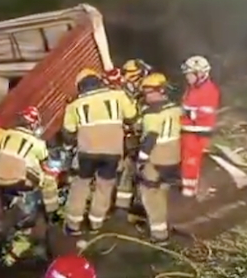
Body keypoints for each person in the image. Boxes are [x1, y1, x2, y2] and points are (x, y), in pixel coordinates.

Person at [60, 69, 138, 236]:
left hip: (86, 153)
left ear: (80, 86)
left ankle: (73, 225)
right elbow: (132, 117)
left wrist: (79, 138)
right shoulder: (118, 96)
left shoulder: (74, 105)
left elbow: (68, 134)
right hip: (113, 152)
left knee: (80, 186)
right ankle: (96, 224)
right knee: (104, 186)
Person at [0, 106, 61, 264]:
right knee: (48, 182)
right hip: (20, 183)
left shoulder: (4, 135)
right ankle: (52, 212)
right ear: (33, 125)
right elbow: (45, 164)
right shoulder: (38, 144)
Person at [135, 73, 182, 242]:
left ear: (158, 91)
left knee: (149, 194)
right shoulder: (176, 108)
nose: (145, 96)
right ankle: (165, 225)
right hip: (174, 158)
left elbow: (151, 137)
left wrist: (141, 159)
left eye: (147, 92)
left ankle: (159, 235)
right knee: (163, 191)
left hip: (156, 158)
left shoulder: (151, 113)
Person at [179, 56, 221, 198]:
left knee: (191, 161)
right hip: (188, 130)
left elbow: (205, 112)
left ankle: (189, 192)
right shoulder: (192, 88)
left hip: (198, 132)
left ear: (200, 73)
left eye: (190, 74)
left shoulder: (209, 90)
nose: (187, 78)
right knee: (185, 160)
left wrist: (186, 113)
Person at [114, 60, 150, 212]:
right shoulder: (124, 93)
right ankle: (125, 205)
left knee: (136, 169)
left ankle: (134, 203)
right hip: (128, 138)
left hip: (137, 137)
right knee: (130, 168)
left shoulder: (142, 94)